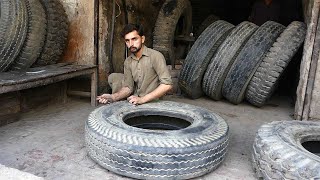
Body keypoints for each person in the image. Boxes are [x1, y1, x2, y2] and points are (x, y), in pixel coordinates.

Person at [97, 23, 173, 105]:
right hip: (135, 98)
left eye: (134, 39)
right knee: (114, 77)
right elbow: (128, 88)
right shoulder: (128, 61)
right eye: (127, 41)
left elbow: (167, 84)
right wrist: (113, 97)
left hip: (152, 101)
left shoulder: (155, 56)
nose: (131, 44)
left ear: (142, 39)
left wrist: (143, 99)